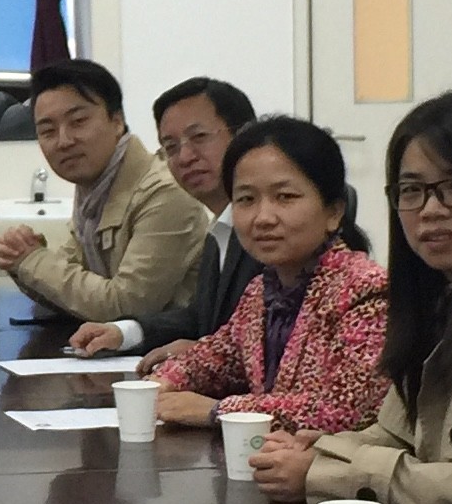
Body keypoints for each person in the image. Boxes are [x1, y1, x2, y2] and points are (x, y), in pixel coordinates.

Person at [259, 87, 452, 504]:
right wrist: (324, 450)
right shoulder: (444, 294)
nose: (431, 209)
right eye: (412, 190)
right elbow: (397, 434)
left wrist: (327, 474)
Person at [149, 116, 389, 437]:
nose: (263, 218)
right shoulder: (263, 290)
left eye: (285, 197)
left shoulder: (366, 290)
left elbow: (346, 410)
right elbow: (219, 356)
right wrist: (165, 380)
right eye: (246, 199)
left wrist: (217, 411)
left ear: (334, 212)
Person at [0, 59, 209, 328]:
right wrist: (21, 259)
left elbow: (126, 307)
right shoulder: (95, 187)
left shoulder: (165, 193)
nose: (64, 141)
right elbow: (73, 295)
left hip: (172, 351)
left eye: (78, 122)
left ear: (117, 121)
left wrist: (32, 260)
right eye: (48, 131)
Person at [66, 76, 258, 362]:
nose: (185, 157)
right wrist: (125, 332)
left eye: (199, 137)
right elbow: (201, 318)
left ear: (244, 136)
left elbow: (277, 338)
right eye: (171, 147)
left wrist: (203, 353)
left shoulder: (268, 230)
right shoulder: (220, 229)